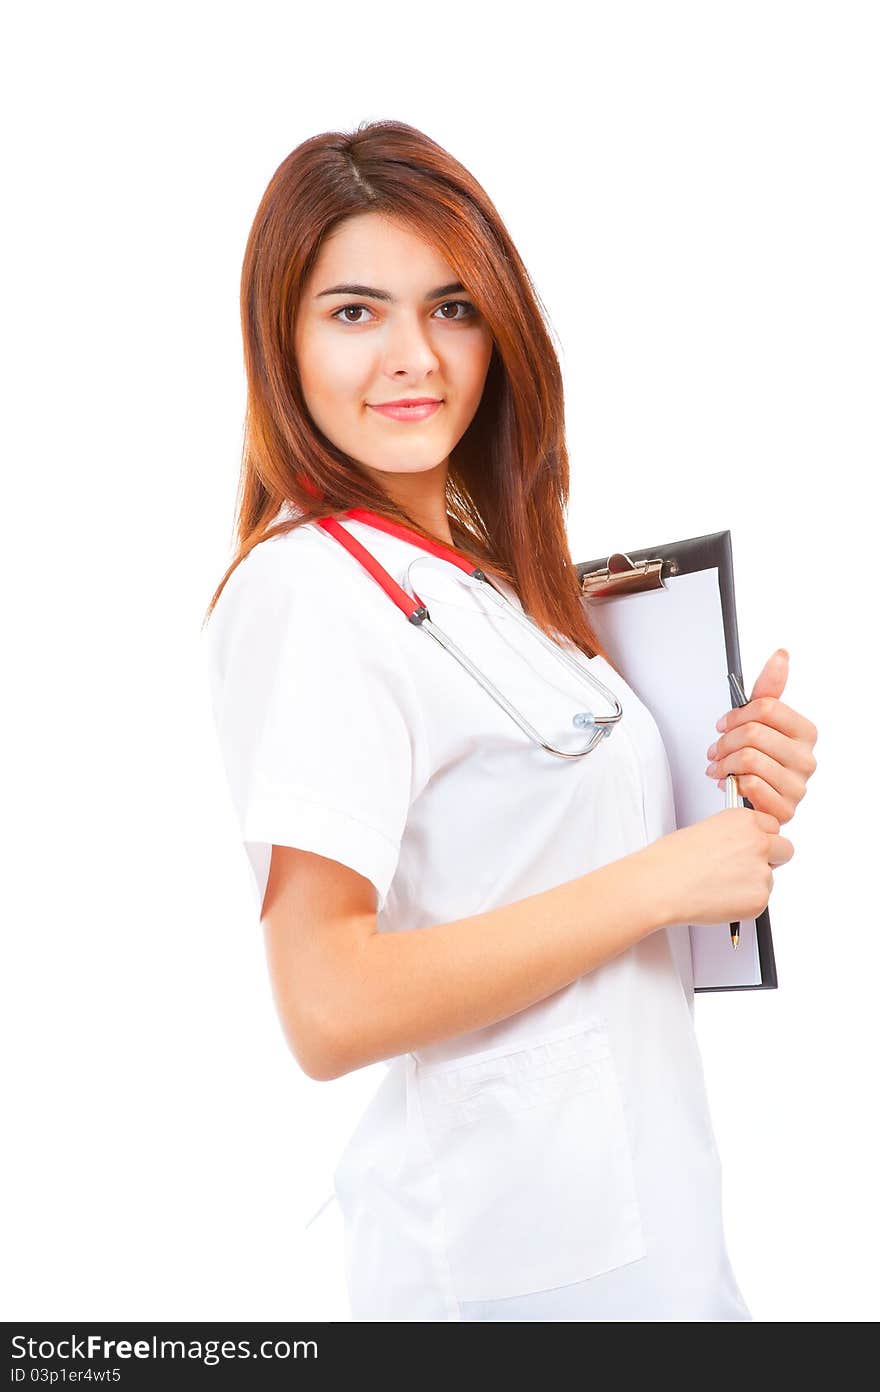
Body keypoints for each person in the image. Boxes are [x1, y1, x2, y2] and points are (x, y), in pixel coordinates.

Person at [202, 120, 818, 1322]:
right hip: (498, 1272)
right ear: (279, 339)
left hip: (658, 1230)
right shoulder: (309, 592)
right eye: (352, 313)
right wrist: (661, 880)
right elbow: (325, 1010)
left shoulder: (489, 581)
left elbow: (555, 851)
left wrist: (732, 790)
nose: (410, 357)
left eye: (450, 308)